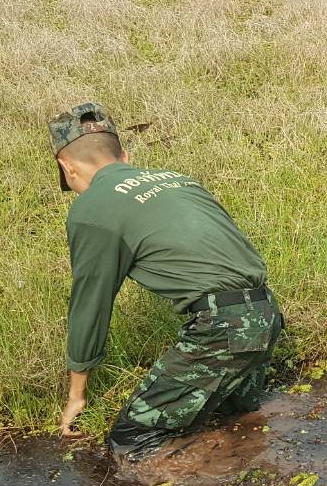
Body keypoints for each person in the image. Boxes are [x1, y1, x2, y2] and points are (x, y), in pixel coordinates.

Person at [49, 103, 284, 463]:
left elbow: (90, 304)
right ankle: (257, 473)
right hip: (266, 313)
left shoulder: (92, 207)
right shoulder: (179, 180)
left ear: (67, 168)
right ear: (124, 155)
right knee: (235, 418)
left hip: (221, 329)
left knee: (133, 441)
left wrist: (76, 396)